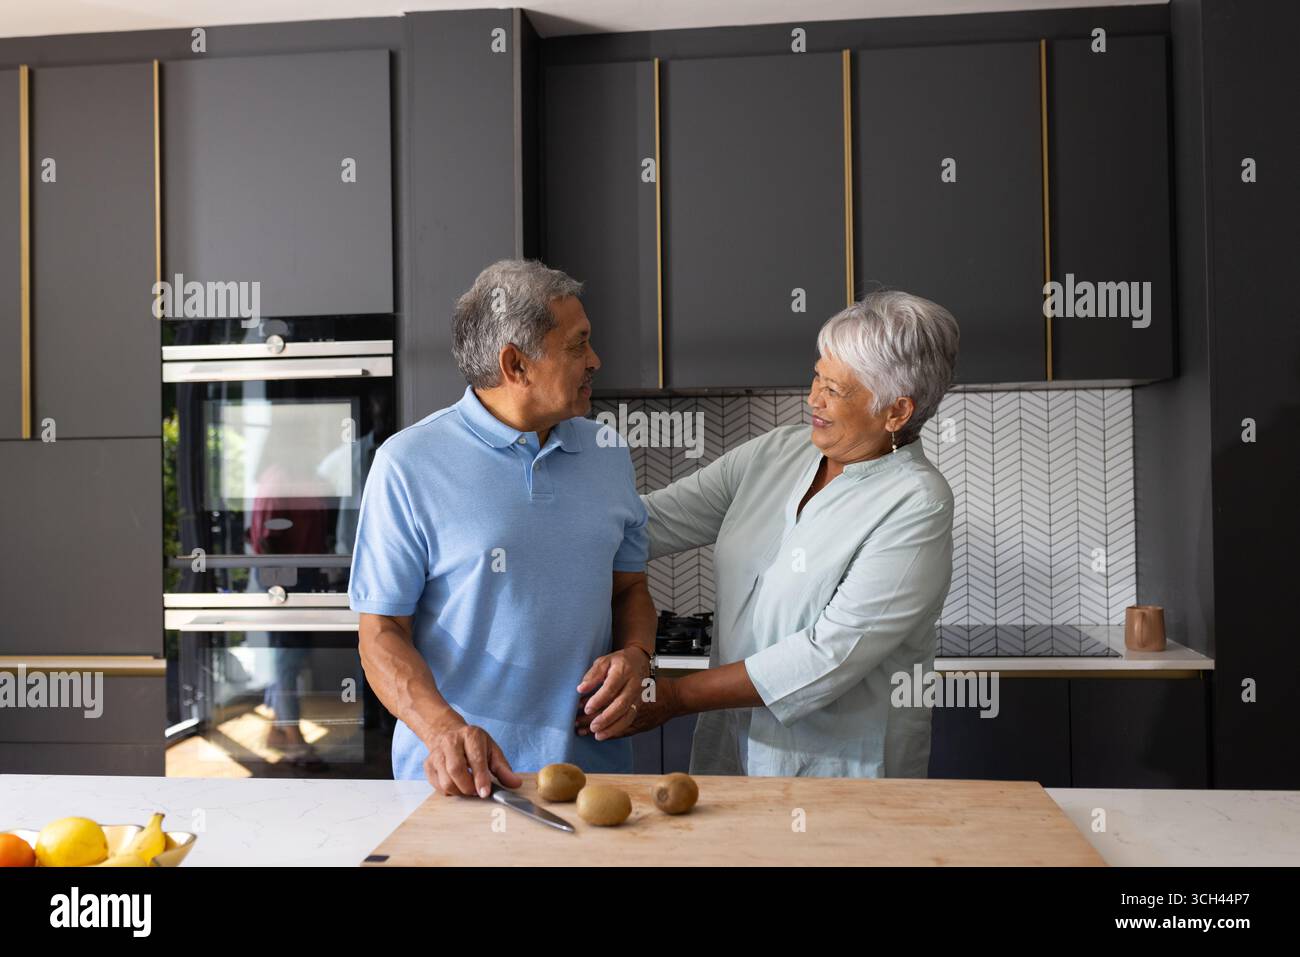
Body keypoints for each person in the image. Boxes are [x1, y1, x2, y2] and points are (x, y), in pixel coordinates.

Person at [582, 290, 959, 778]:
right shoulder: (778, 452)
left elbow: (829, 653)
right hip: (732, 743)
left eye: (835, 389)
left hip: (840, 769)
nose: (813, 398)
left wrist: (674, 696)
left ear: (896, 412)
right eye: (817, 376)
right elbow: (649, 523)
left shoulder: (918, 501)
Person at [350, 259, 657, 794]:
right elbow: (380, 634)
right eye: (578, 345)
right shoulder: (408, 464)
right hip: (462, 782)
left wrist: (637, 655)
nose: (595, 360)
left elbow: (630, 589)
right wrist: (443, 731)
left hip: (595, 778)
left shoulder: (608, 452)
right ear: (515, 364)